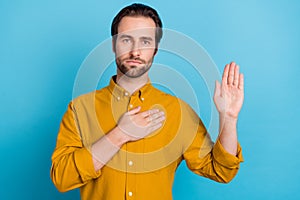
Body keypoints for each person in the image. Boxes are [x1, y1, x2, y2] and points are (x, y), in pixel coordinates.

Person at [50, 3, 244, 200]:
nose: (135, 52)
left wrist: (228, 118)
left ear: (155, 49)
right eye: (126, 40)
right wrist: (120, 134)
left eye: (145, 42)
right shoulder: (80, 109)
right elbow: (62, 178)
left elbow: (221, 171)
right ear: (113, 44)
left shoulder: (178, 112)